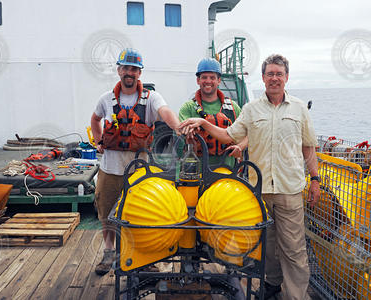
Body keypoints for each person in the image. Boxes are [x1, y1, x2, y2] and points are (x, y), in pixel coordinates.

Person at [179, 54, 320, 300]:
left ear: (286, 77)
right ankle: (272, 283)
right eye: (270, 74)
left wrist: (316, 179)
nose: (274, 78)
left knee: (294, 249)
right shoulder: (251, 109)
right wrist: (202, 121)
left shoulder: (299, 109)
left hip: (289, 190)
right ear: (263, 78)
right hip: (259, 189)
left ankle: (296, 296)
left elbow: (308, 147)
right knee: (266, 245)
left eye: (279, 74)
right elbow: (228, 135)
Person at [90, 48, 181, 276]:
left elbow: (165, 111)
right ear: (119, 70)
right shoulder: (106, 99)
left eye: (134, 69)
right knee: (106, 211)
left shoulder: (151, 99)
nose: (129, 72)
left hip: (139, 171)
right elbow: (95, 118)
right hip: (110, 168)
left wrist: (178, 126)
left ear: (139, 73)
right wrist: (99, 139)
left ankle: (141, 254)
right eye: (125, 68)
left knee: (142, 213)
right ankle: (109, 252)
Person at [178, 58, 247, 168]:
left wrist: (241, 146)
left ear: (219, 80)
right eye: (204, 77)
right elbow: (181, 134)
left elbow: (249, 132)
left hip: (227, 172)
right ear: (198, 80)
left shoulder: (233, 108)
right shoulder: (188, 108)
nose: (208, 81)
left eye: (212, 78)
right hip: (196, 175)